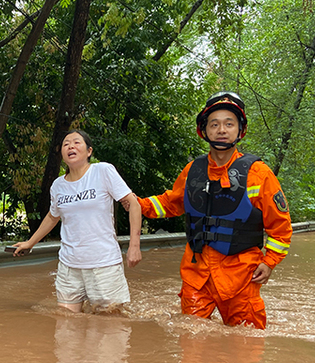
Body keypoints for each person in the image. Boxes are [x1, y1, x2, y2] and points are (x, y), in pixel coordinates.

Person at [125, 92, 292, 329]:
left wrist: (270, 262)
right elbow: (171, 202)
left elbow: (281, 227)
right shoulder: (193, 170)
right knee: (191, 345)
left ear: (240, 130)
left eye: (228, 124)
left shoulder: (259, 173)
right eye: (214, 124)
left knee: (245, 349)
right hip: (196, 275)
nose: (221, 130)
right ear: (204, 131)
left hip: (241, 276)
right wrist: (136, 204)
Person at [13, 130, 143, 313]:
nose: (70, 146)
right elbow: (52, 216)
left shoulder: (103, 171)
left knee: (110, 325)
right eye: (66, 144)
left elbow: (133, 204)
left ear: (89, 151)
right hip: (69, 265)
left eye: (76, 142)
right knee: (66, 322)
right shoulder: (58, 185)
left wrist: (134, 246)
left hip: (103, 264)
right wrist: (30, 243)